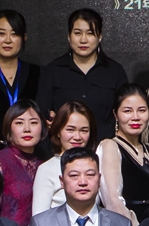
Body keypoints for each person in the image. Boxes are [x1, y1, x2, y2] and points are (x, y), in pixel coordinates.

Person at [37, 8, 128, 139]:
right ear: (69, 36)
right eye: (77, 33)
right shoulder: (53, 70)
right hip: (64, 145)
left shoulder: (115, 71)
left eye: (90, 33)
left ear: (100, 36)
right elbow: (41, 110)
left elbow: (125, 112)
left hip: (105, 145)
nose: (83, 40)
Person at [0, 9, 40, 155]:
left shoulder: (38, 74)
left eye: (14, 34)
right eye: (1, 34)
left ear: (24, 38)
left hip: (32, 153)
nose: (8, 40)